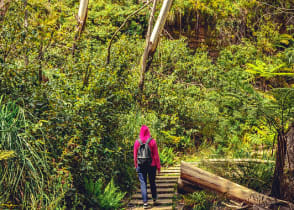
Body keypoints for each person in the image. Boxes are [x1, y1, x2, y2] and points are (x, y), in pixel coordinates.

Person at [133, 125, 161, 209]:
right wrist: (158, 166)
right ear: (148, 131)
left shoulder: (137, 142)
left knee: (143, 183)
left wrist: (136, 165)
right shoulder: (152, 141)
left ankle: (145, 203)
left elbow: (135, 155)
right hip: (151, 165)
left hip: (141, 165)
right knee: (152, 182)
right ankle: (154, 199)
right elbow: (156, 155)